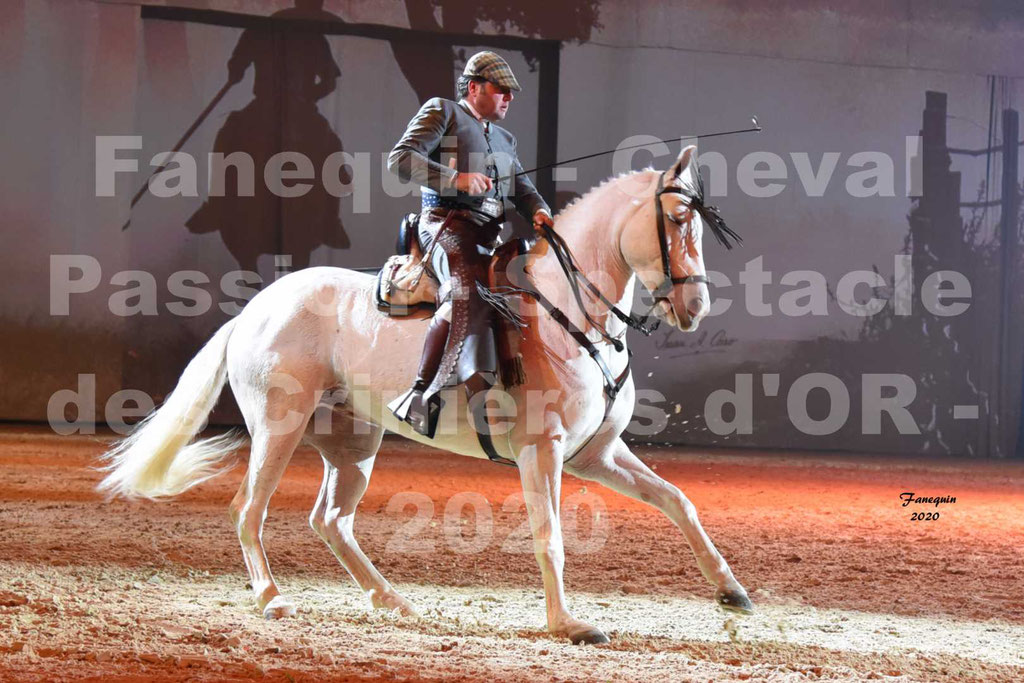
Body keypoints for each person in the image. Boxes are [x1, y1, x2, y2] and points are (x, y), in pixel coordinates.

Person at [387, 51, 553, 437]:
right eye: (502, 90)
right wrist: (456, 179)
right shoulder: (443, 111)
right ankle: (421, 394)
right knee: (470, 287)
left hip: (489, 234)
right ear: (474, 86)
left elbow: (522, 189)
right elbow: (401, 159)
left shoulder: (506, 139)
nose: (509, 98)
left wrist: (540, 212)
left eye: (512, 93)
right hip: (444, 224)